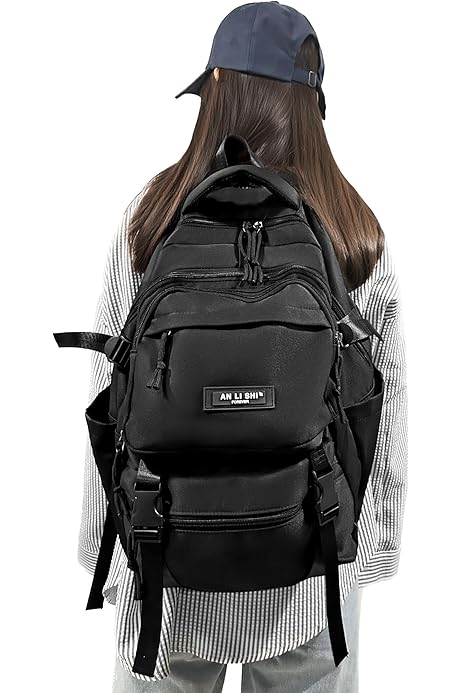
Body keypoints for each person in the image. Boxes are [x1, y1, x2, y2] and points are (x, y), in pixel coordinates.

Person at [80, 3, 408, 691]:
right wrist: (371, 553)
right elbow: (386, 404)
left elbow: (107, 392)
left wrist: (101, 552)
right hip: (308, 571)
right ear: (312, 105)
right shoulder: (352, 230)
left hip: (163, 560)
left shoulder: (151, 219)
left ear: (216, 91)